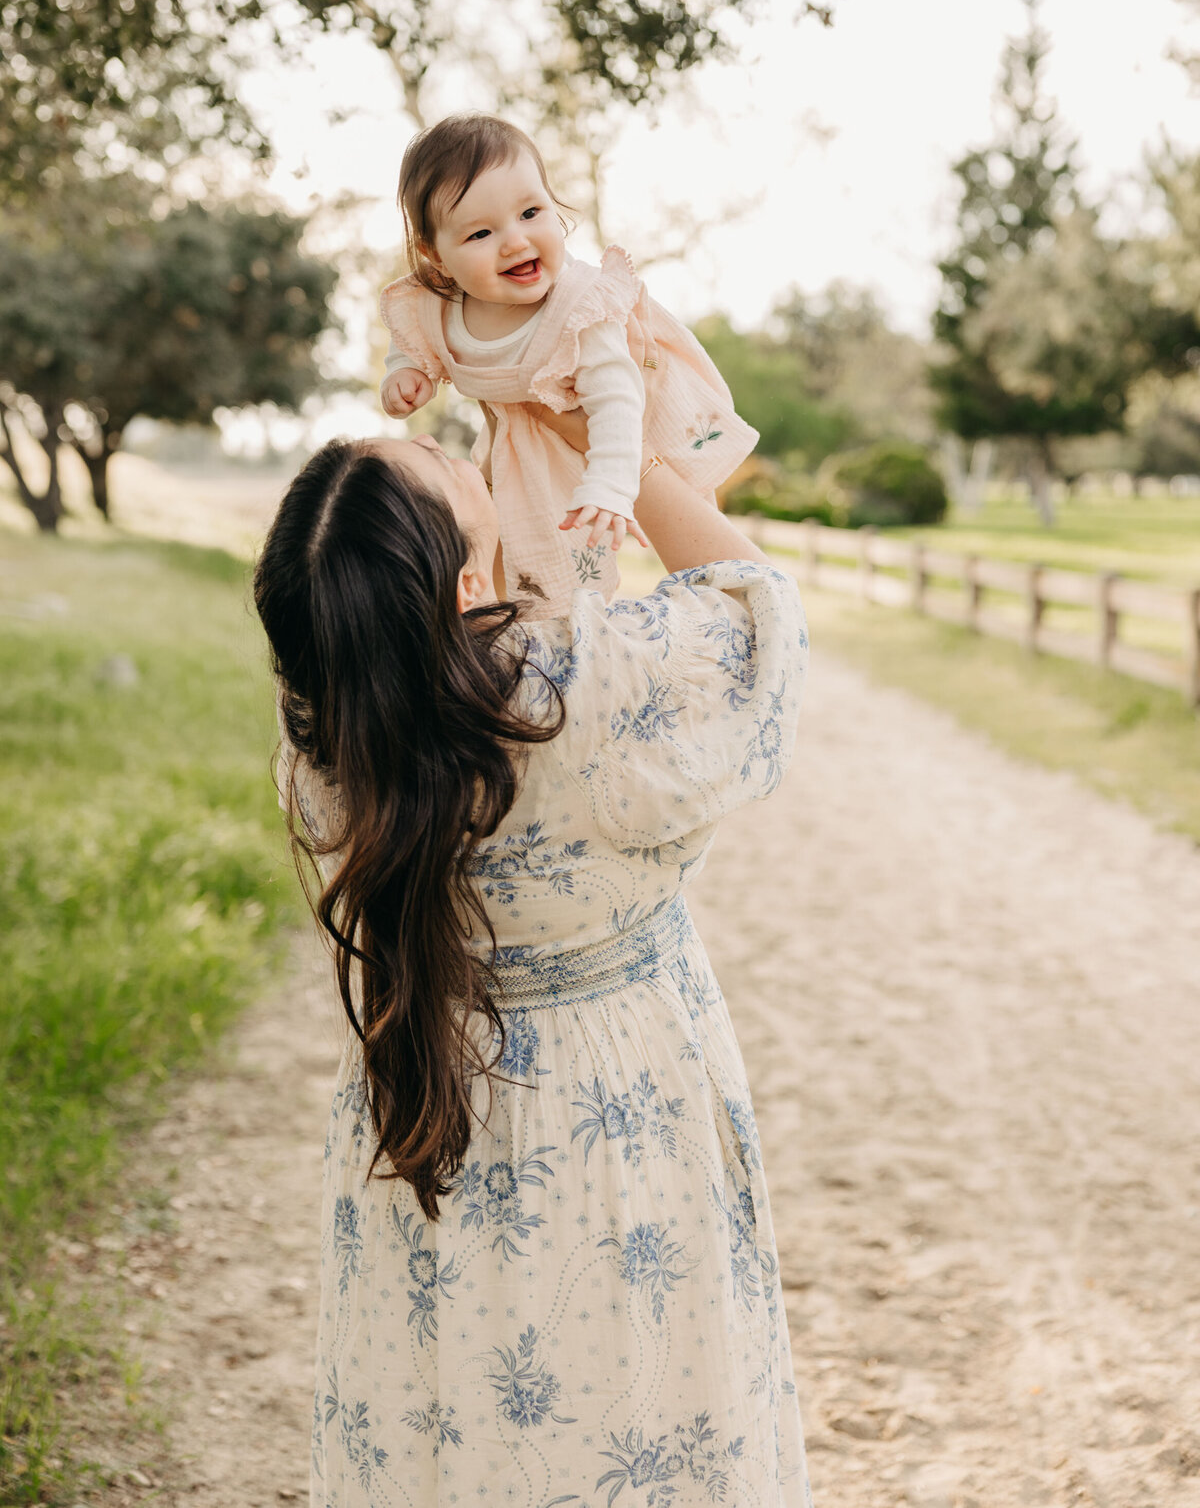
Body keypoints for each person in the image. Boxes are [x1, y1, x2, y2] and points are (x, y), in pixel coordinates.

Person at [253, 398, 813, 1505]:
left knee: (447, 1412)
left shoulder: (325, 733)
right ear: (465, 586)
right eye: (444, 461)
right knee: (641, 1409)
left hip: (426, 1095)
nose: (467, 451)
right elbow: (763, 611)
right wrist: (629, 447)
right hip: (618, 1103)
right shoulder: (585, 691)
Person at [377, 111, 757, 614]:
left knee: (698, 550)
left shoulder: (578, 308)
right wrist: (404, 373)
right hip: (522, 455)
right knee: (525, 571)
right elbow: (410, 341)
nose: (515, 240)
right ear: (436, 256)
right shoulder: (439, 306)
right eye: (480, 234)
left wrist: (609, 483)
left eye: (531, 212)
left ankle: (713, 605)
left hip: (613, 435)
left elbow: (618, 401)